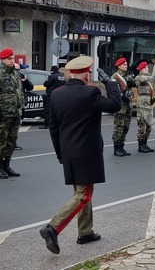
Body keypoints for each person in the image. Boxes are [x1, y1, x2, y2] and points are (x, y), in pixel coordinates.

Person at [38, 55, 121, 255]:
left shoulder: (57, 95)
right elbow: (114, 105)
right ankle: (53, 227)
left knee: (82, 190)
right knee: (83, 195)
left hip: (68, 151)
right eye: (89, 73)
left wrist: (60, 153)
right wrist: (110, 83)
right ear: (85, 73)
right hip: (87, 151)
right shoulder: (90, 92)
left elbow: (53, 128)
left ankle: (85, 232)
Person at [0, 48, 22, 178]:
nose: (12, 61)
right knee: (0, 141)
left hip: (15, 111)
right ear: (2, 60)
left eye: (13, 58)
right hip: (3, 112)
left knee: (12, 141)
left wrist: (21, 107)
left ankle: (7, 165)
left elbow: (19, 91)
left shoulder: (15, 73)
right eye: (9, 59)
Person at [111, 57, 134, 156]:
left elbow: (129, 90)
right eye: (124, 64)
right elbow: (114, 91)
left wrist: (131, 94)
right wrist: (122, 97)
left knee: (126, 126)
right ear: (119, 66)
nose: (126, 66)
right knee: (119, 126)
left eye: (126, 64)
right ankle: (117, 147)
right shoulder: (115, 76)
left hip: (128, 104)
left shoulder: (128, 76)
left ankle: (122, 146)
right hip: (120, 105)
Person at [133, 61, 155, 152]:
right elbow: (144, 79)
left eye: (147, 67)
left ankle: (145, 143)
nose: (147, 69)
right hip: (142, 102)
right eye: (145, 68)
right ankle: (140, 145)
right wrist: (153, 77)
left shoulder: (149, 78)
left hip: (149, 102)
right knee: (142, 125)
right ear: (141, 69)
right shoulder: (139, 77)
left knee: (149, 125)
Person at [41, 65, 65, 129]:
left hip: (51, 95)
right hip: (61, 95)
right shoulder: (62, 76)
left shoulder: (52, 76)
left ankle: (47, 124)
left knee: (48, 110)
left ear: (52, 70)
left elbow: (45, 84)